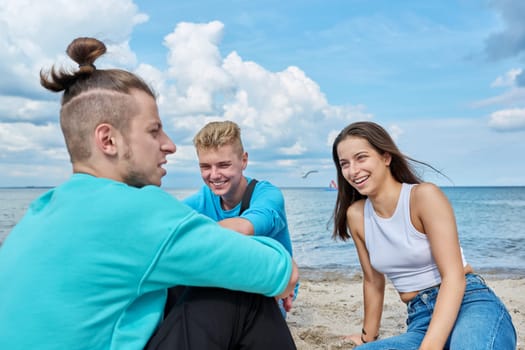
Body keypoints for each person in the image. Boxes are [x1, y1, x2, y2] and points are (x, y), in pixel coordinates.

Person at [0, 37, 299, 350]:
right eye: (154, 130)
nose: (169, 144)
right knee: (240, 294)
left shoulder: (40, 211)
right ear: (108, 140)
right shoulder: (134, 207)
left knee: (174, 280)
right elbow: (282, 272)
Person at [331, 121, 516, 349]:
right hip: (421, 318)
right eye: (344, 164)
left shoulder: (424, 197)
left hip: (471, 304)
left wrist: (431, 346)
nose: (353, 170)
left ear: (386, 157)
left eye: (361, 158)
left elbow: (453, 276)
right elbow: (373, 280)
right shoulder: (356, 215)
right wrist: (367, 337)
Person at [180, 120, 297, 317]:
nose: (214, 175)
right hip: (225, 283)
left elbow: (243, 228)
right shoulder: (199, 200)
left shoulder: (267, 195)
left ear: (243, 161)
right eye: (205, 167)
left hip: (269, 291)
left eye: (224, 165)